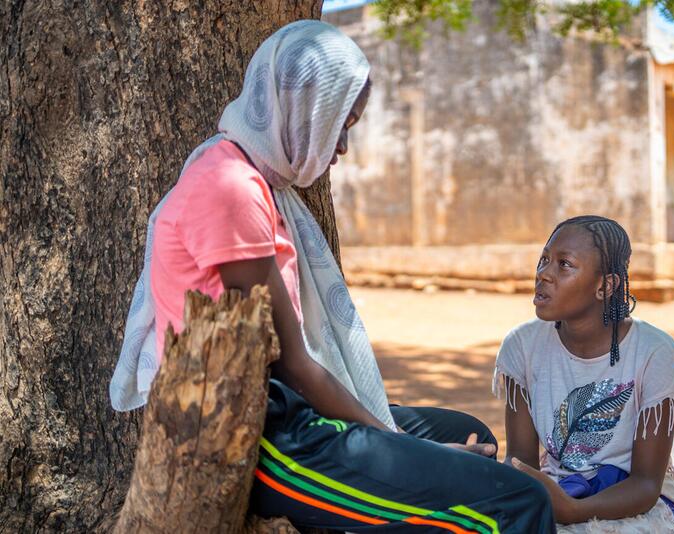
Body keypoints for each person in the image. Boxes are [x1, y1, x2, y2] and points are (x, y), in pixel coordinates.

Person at [110, 20, 555, 533]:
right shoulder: (230, 188)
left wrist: (399, 440)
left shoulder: (257, 180)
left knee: (470, 433)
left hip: (287, 406)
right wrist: (400, 443)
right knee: (517, 501)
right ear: (305, 108)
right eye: (340, 122)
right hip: (268, 436)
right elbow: (295, 364)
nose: (342, 145)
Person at [494, 215, 674, 533]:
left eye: (564, 265)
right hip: (558, 490)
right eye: (544, 259)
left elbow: (645, 485)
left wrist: (575, 511)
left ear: (606, 285)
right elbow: (521, 460)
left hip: (640, 501)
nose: (543, 274)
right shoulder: (522, 346)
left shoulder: (653, 353)